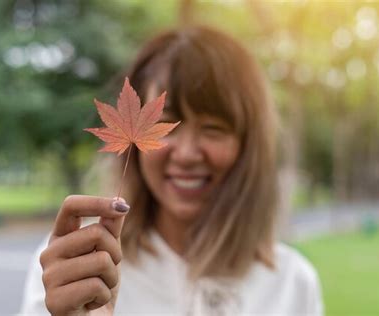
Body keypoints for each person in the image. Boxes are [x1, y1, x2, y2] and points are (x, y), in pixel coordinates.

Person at [20, 25, 323, 316]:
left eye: (214, 128)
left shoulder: (291, 283)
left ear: (247, 145)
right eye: (166, 124)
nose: (188, 153)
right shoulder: (79, 266)